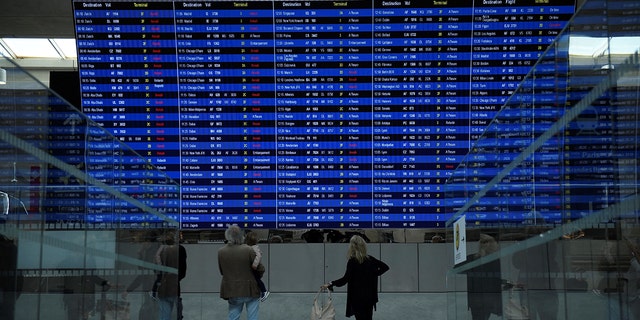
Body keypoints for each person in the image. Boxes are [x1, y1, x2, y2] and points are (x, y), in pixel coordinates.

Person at [322, 235, 389, 320]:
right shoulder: (370, 259)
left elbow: (345, 279)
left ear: (352, 247)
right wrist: (374, 274)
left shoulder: (352, 262)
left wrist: (331, 283)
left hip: (357, 297)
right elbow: (385, 267)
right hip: (369, 297)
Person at [218, 224, 261, 320]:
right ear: (241, 236)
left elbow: (222, 271)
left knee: (233, 317)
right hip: (250, 289)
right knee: (253, 317)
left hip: (232, 290)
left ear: (227, 236)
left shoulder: (221, 252)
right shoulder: (248, 249)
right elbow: (259, 269)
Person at [121, 230, 161, 320]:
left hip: (151, 288)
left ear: (148, 242)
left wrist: (128, 290)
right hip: (152, 288)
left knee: (148, 311)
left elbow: (143, 273)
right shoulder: (152, 252)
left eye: (143, 242)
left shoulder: (152, 254)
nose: (141, 244)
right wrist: (140, 254)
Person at [465, 234, 502, 320]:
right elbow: (458, 269)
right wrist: (478, 258)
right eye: (484, 242)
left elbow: (494, 278)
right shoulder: (472, 258)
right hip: (477, 300)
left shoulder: (495, 260)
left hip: (489, 300)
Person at [155, 230, 186, 320]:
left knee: (164, 315)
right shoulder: (180, 249)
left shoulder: (160, 251)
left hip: (163, 287)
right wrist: (176, 279)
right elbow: (183, 270)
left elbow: (155, 269)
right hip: (175, 286)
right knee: (176, 314)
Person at [244, 231, 269, 302]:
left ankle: (264, 291)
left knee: (257, 279)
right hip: (254, 267)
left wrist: (254, 265)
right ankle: (260, 291)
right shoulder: (251, 247)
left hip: (255, 268)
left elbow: (258, 256)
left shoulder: (254, 248)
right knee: (255, 280)